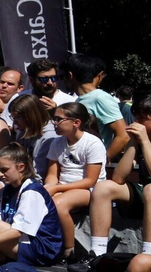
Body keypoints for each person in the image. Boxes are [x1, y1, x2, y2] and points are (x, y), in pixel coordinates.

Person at [0, 143, 65, 267]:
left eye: (4, 170)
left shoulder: (32, 191)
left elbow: (18, 232)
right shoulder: (8, 190)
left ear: (21, 167)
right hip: (21, 245)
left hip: (40, 249)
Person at [89, 93, 151, 261]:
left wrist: (145, 142)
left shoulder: (147, 141)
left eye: (143, 118)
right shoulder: (140, 140)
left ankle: (148, 255)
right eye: (136, 117)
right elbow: (118, 178)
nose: (136, 123)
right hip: (145, 197)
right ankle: (97, 254)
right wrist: (134, 144)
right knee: (104, 187)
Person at [45, 102, 106, 256]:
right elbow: (53, 174)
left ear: (76, 123)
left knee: (58, 205)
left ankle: (69, 249)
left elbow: (90, 180)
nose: (54, 123)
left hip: (88, 189)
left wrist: (56, 189)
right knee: (42, 202)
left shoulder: (92, 143)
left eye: (59, 119)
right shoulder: (56, 143)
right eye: (54, 118)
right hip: (64, 186)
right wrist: (48, 187)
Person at [63, 53, 130, 161]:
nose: (62, 80)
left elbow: (123, 135)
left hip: (93, 170)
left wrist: (101, 162)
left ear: (70, 75)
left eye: (62, 76)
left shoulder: (100, 98)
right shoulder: (80, 100)